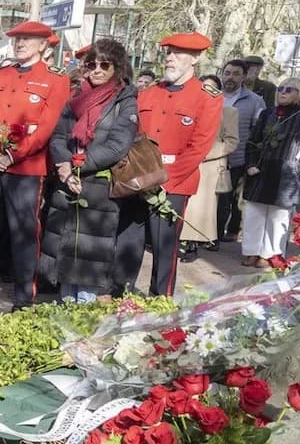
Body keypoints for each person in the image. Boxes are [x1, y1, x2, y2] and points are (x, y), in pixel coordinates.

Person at [0, 21, 71, 310]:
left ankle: (24, 295)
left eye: (28, 39)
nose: (20, 43)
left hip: (26, 169)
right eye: (17, 39)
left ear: (44, 45)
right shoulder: (1, 75)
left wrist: (12, 156)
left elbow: (47, 128)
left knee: (24, 233)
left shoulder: (55, 79)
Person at [113, 32, 222, 296]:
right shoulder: (147, 94)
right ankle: (120, 293)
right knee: (128, 240)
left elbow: (199, 147)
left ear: (195, 58)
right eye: (168, 53)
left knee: (164, 246)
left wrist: (163, 180)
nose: (170, 58)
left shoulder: (208, 97)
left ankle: (160, 299)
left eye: (178, 53)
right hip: (138, 178)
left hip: (173, 183)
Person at [38, 39, 138, 302]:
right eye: (91, 64)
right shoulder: (77, 98)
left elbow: (118, 145)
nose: (96, 70)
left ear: (116, 67)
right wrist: (64, 168)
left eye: (104, 64)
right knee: (64, 251)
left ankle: (85, 315)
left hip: (98, 187)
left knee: (89, 258)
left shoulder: (124, 100)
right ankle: (64, 307)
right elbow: (59, 136)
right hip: (67, 180)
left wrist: (80, 166)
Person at [240, 78, 300, 267]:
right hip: (260, 171)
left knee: (278, 219)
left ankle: (270, 255)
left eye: (289, 89)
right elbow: (252, 142)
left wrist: (297, 168)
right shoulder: (266, 113)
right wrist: (250, 164)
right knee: (254, 213)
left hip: (286, 175)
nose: (283, 92)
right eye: (280, 88)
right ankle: (252, 251)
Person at [179, 74, 240, 263]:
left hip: (209, 165)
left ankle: (193, 244)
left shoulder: (228, 112)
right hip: (185, 160)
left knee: (200, 209)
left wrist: (206, 153)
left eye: (211, 87)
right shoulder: (187, 108)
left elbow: (232, 141)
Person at [216, 59, 266, 243]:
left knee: (230, 198)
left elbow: (258, 131)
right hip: (210, 156)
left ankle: (227, 231)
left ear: (244, 77)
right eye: (227, 73)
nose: (230, 77)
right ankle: (211, 233)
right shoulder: (212, 96)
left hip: (237, 158)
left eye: (236, 74)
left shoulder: (254, 101)